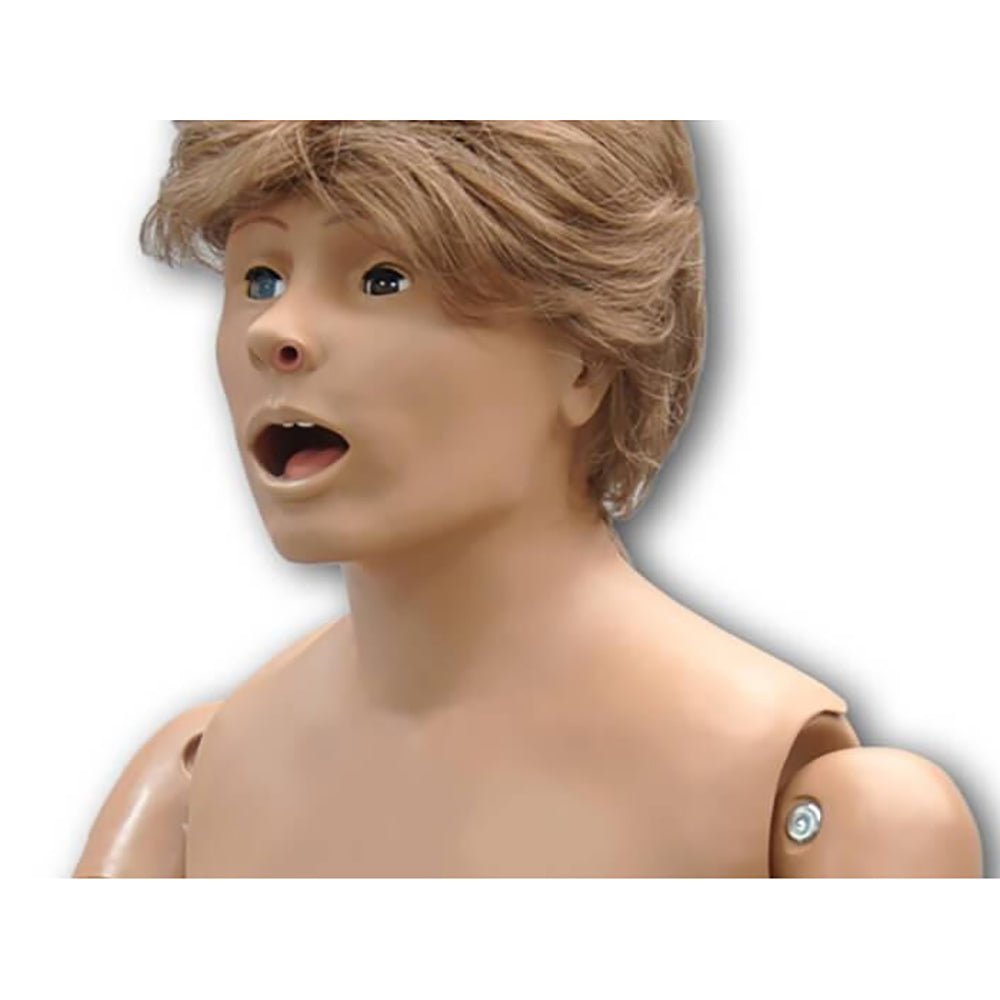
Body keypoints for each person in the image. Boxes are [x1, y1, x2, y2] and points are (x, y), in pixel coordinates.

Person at [73, 120, 982, 877]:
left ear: (585, 358)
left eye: (382, 278)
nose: (275, 330)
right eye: (259, 277)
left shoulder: (814, 815)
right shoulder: (190, 793)